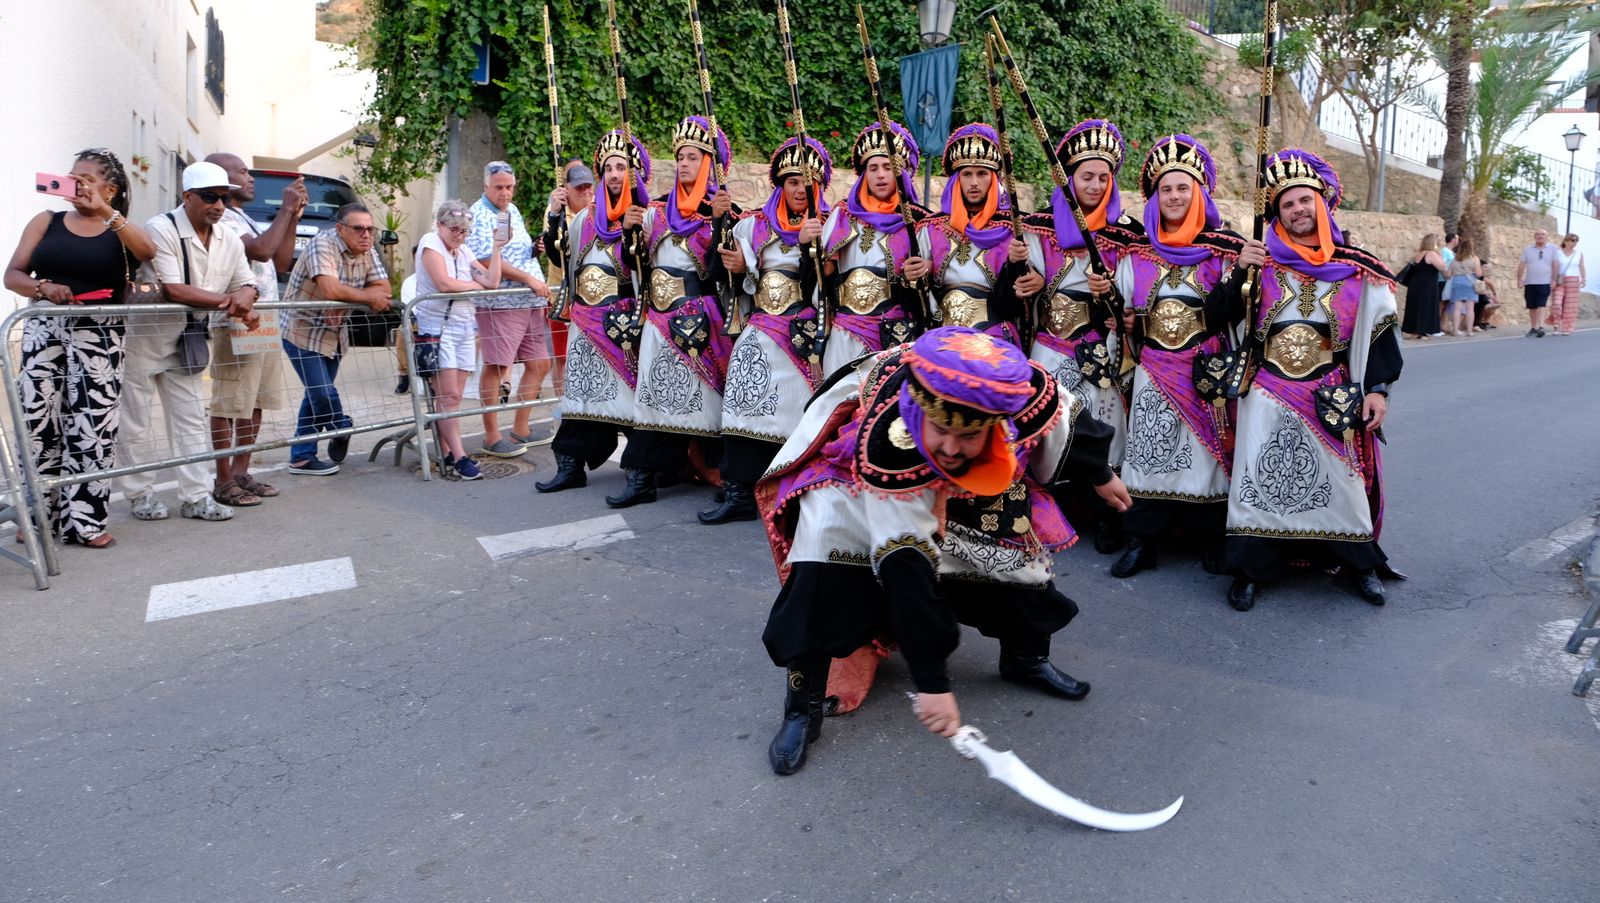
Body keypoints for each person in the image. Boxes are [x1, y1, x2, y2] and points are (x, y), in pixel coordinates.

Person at [755, 326, 1131, 774]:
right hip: (854, 488)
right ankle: (803, 706)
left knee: (1016, 558)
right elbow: (906, 565)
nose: (951, 448)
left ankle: (1025, 658)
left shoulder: (1021, 390)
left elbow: (1065, 414)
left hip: (982, 478)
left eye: (967, 436)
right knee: (824, 577)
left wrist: (1100, 473)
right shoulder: (889, 446)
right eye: (941, 430)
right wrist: (932, 682)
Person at [1218, 149, 1403, 611]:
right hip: (1267, 390)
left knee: (1341, 484)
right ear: (1276, 214)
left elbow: (1380, 336)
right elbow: (1218, 316)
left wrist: (1378, 390)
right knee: (1259, 481)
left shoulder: (1359, 268)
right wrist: (1240, 271)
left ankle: (1359, 565)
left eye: (1305, 200)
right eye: (1287, 204)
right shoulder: (1258, 264)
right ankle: (1250, 570)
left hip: (1329, 392)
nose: (1298, 209)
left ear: (1323, 204)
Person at [4, 148, 156, 548]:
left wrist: (107, 211)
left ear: (111, 187)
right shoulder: (46, 221)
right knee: (39, 423)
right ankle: (36, 519)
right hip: (44, 330)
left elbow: (147, 252)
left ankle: (86, 522)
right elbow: (13, 274)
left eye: (85, 178)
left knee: (92, 425)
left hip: (101, 335)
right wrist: (42, 287)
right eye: (72, 176)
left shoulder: (119, 227)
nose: (76, 184)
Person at [1109, 135, 1242, 580]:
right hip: (1153, 370)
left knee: (1205, 458)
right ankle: (1142, 540)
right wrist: (1118, 314)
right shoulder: (1135, 253)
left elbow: (1230, 314)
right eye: (1166, 189)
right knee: (1148, 452)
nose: (1174, 196)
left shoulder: (1224, 252)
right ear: (1154, 197)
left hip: (1203, 370)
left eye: (1183, 188)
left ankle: (1211, 538)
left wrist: (1242, 274)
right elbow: (1120, 308)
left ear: (1199, 194)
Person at [1020, 119, 1144, 554]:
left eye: (1102, 178)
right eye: (1086, 177)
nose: (1094, 185)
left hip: (1100, 352)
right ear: (1070, 180)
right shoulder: (1038, 228)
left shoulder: (1128, 234)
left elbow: (1135, 297)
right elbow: (1021, 282)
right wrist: (1027, 281)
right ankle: (1043, 511)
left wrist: (1115, 301)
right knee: (1047, 427)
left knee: (1105, 427)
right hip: (1049, 346)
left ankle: (1106, 514)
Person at [604, 115, 735, 510]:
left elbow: (721, 271)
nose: (683, 164)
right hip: (659, 320)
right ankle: (642, 477)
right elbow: (635, 264)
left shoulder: (726, 209)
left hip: (703, 319)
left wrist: (719, 224)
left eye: (693, 157)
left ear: (709, 163)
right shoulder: (655, 210)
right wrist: (630, 235)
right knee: (652, 399)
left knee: (710, 403)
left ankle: (727, 478)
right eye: (680, 157)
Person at [120, 160, 261, 523]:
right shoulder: (161, 227)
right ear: (187, 196)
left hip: (190, 338)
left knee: (189, 419)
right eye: (211, 198)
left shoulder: (228, 236)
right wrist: (234, 302)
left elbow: (246, 280)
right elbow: (172, 288)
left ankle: (196, 496)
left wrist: (246, 295)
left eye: (225, 198)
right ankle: (139, 494)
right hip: (146, 337)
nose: (219, 206)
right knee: (135, 419)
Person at [706, 136, 833, 525]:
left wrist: (815, 250)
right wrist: (730, 253)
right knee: (742, 404)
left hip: (806, 336)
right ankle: (739, 491)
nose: (799, 188)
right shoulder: (751, 225)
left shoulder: (830, 226)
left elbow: (832, 288)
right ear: (780, 184)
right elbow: (718, 272)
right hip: (760, 327)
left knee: (802, 415)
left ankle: (796, 491)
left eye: (807, 182)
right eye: (792, 180)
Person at [536, 131, 651, 494]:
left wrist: (635, 233)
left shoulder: (645, 217)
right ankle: (570, 466)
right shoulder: (584, 219)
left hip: (624, 323)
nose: (614, 174)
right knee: (580, 396)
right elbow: (560, 255)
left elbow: (647, 267)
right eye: (609, 168)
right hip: (585, 321)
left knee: (628, 398)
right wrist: (555, 214)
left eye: (621, 167)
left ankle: (640, 473)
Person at [205, 152, 306, 508]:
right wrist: (284, 209)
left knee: (256, 402)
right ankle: (222, 479)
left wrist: (292, 216)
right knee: (230, 401)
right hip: (235, 320)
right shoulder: (223, 220)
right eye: (243, 172)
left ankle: (240, 471)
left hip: (262, 319)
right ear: (223, 179)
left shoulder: (243, 216)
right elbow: (262, 251)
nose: (251, 178)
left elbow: (279, 261)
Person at [280, 203, 392, 475]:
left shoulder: (366, 249)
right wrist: (366, 297)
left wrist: (349, 299)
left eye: (370, 229)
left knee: (315, 395)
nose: (366, 235)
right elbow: (330, 287)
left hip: (335, 332)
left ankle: (301, 457)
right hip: (302, 329)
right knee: (322, 392)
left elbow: (384, 287)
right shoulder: (323, 244)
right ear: (340, 229)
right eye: (358, 229)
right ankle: (341, 426)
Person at [903, 123, 1037, 347]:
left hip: (995, 341)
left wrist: (1028, 274)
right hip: (941, 340)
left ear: (995, 179)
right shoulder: (930, 228)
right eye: (966, 174)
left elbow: (1023, 299)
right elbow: (915, 300)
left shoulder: (1017, 228)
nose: (974, 182)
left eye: (982, 173)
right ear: (957, 180)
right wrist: (914, 276)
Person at [818, 120, 931, 374]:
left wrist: (926, 269)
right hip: (844, 333)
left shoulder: (918, 221)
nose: (880, 175)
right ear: (864, 174)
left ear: (900, 172)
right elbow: (821, 277)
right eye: (873, 168)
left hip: (894, 335)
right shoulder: (842, 216)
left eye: (888, 167)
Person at [413, 199, 505, 480]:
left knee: (455, 394)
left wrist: (497, 248)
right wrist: (474, 286)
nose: (460, 235)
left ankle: (450, 453)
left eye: (464, 231)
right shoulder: (431, 243)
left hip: (465, 327)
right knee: (449, 395)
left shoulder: (462, 251)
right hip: (439, 328)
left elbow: (492, 281)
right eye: (454, 229)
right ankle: (460, 455)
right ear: (440, 225)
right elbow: (444, 283)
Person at [468, 161, 553, 458]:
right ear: (485, 187)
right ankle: (491, 435)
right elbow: (486, 260)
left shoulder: (511, 210)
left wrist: (533, 249)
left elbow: (511, 249)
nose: (505, 193)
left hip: (528, 300)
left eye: (509, 187)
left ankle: (522, 428)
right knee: (495, 366)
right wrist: (529, 277)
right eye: (499, 187)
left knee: (540, 363)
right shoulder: (477, 214)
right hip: (501, 302)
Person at [546, 159, 596, 396]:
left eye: (589, 187)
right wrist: (555, 213)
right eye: (579, 188)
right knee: (563, 358)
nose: (586, 192)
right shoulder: (557, 214)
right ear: (566, 189)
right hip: (562, 296)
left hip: (591, 297)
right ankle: (561, 406)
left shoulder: (599, 212)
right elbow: (556, 254)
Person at [1398, 233, 1445, 339]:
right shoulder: (1432, 254)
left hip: (1415, 284)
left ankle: (1415, 331)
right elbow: (1442, 266)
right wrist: (1440, 255)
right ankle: (1422, 330)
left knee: (1416, 307)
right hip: (1426, 285)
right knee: (1425, 307)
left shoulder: (1419, 254)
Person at [1516, 229, 1557, 337]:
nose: (1540, 236)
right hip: (1530, 282)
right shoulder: (1528, 249)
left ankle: (1541, 326)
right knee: (1532, 306)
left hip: (1545, 281)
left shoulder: (1552, 248)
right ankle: (1533, 327)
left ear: (1546, 236)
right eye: (1538, 234)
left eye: (1542, 234)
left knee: (1541, 304)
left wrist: (1554, 279)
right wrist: (1519, 279)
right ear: (1535, 236)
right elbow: (1522, 264)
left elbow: (1555, 264)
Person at [1442, 236, 1482, 337]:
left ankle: (1455, 330)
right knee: (1470, 307)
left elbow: (1448, 275)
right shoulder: (1474, 259)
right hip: (1470, 283)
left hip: (1457, 283)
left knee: (1457, 308)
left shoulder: (1455, 259)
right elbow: (1478, 274)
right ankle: (1469, 331)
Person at [1549, 233, 1585, 336]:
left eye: (1576, 240)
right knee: (1556, 302)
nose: (1574, 242)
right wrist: (1553, 280)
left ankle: (1567, 328)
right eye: (1572, 240)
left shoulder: (1579, 254)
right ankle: (1556, 324)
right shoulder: (1558, 253)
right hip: (1560, 280)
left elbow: (1581, 266)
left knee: (1570, 306)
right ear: (1566, 241)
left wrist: (1584, 279)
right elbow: (1554, 267)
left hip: (1573, 280)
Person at [1474, 260, 1500, 331]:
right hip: (1475, 296)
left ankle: (1484, 322)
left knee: (1494, 303)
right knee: (1488, 303)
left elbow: (1490, 283)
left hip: (1481, 296)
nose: (1486, 269)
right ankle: (1478, 323)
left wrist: (1495, 294)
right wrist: (1486, 293)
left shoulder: (1481, 276)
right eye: (1484, 267)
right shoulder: (1476, 275)